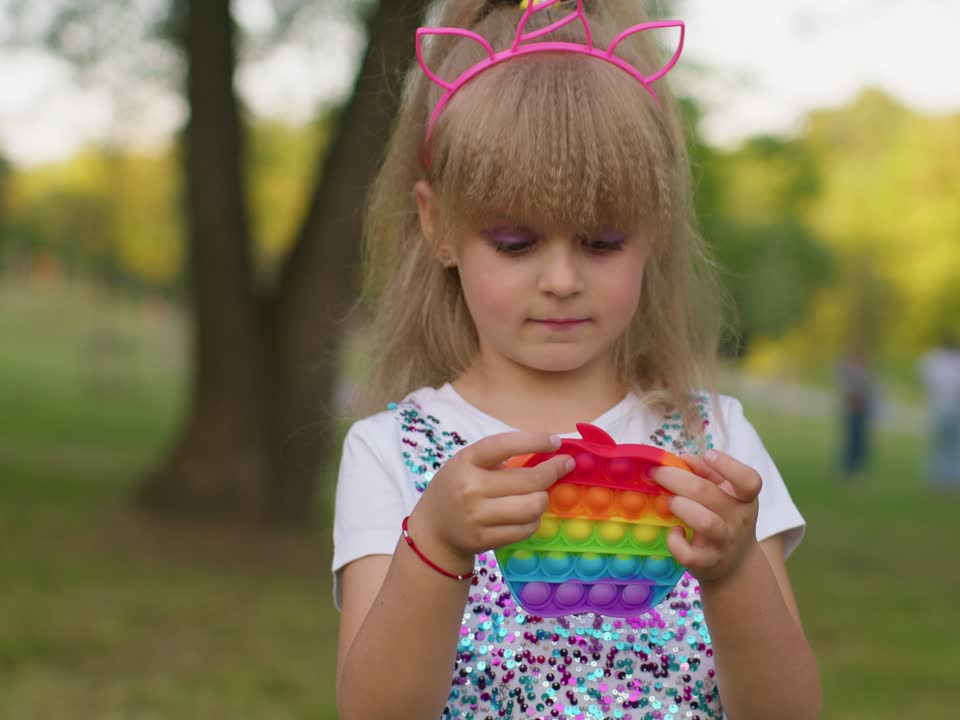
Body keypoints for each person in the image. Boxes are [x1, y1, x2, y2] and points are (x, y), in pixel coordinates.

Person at [331, 2, 821, 719]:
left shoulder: (715, 445)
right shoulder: (392, 454)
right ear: (437, 225)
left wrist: (735, 569)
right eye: (514, 243)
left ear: (652, 228)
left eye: (601, 242)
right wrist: (435, 544)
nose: (561, 280)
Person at [919, 332, 960, 491]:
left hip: (942, 408)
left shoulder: (934, 360)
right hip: (955, 407)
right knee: (954, 447)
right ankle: (953, 481)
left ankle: (942, 480)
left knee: (942, 446)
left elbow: (927, 384)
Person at [836, 341, 876, 481]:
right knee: (852, 441)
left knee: (859, 442)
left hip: (861, 409)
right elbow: (849, 390)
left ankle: (854, 471)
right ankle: (848, 472)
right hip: (853, 409)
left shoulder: (862, 369)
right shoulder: (850, 369)